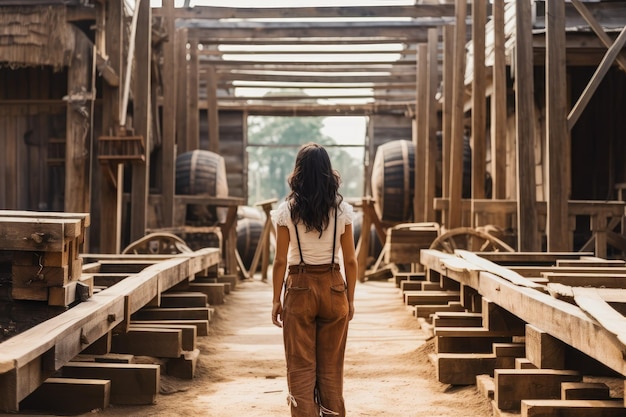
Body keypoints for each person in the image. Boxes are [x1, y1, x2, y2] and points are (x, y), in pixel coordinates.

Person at [270, 142, 357, 417]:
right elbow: (351, 261)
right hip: (333, 287)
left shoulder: (287, 211)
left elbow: (280, 261)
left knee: (300, 368)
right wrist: (350, 299)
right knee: (331, 369)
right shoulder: (341, 210)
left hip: (299, 288)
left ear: (299, 172)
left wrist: (275, 300)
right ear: (327, 172)